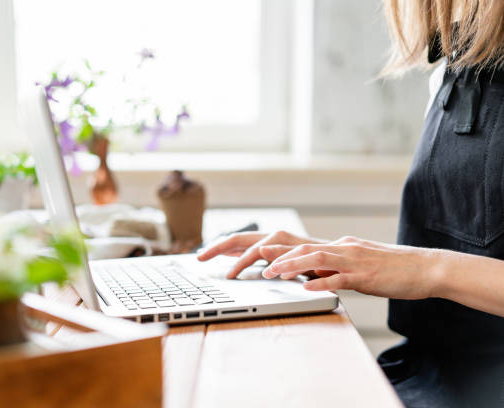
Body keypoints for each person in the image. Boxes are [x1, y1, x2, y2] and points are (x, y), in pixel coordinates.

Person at [198, 1, 504, 407]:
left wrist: (429, 268)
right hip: (426, 373)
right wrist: (337, 255)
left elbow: (435, 265)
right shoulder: (456, 62)